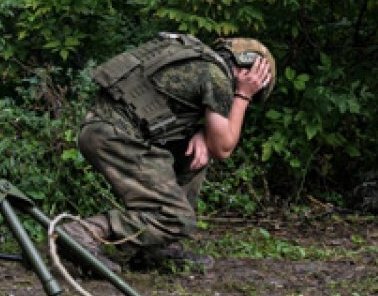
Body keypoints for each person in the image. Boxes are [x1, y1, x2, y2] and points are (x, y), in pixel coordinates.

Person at [62, 34, 275, 273]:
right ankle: (82, 232)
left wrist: (202, 133)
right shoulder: (217, 78)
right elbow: (223, 148)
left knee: (194, 154)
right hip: (117, 137)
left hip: (104, 128)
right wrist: (243, 94)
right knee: (177, 218)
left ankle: (156, 248)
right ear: (247, 68)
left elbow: (165, 105)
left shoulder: (195, 59)